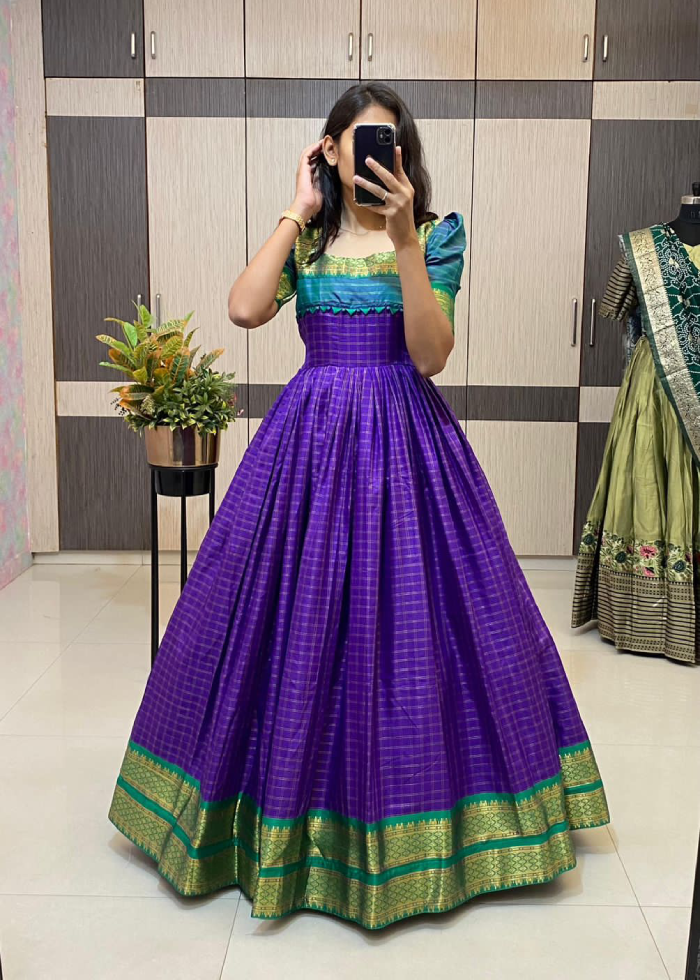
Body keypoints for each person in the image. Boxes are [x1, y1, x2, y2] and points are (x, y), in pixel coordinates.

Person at [108, 82, 610, 931]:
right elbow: (244, 307)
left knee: (418, 623)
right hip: (306, 446)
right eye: (358, 141)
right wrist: (295, 209)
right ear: (330, 149)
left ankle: (447, 824)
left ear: (403, 157)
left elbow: (431, 355)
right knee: (287, 620)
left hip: (408, 444)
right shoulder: (308, 241)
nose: (374, 156)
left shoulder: (438, 235)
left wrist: (406, 238)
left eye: (390, 142)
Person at [572, 222, 700, 664]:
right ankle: (644, 612)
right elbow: (614, 308)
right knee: (647, 477)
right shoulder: (642, 246)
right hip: (654, 387)